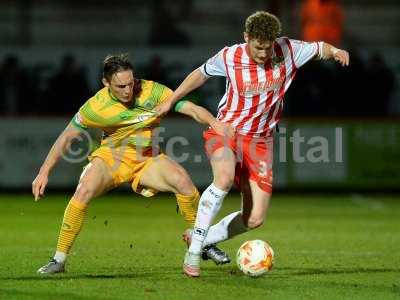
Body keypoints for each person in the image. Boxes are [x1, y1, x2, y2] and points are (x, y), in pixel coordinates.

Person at [156, 11, 349, 277]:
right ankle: (194, 253)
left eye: (268, 47)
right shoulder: (230, 56)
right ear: (246, 37)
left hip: (261, 142)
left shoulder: (289, 50)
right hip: (227, 131)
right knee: (222, 180)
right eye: (258, 47)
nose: (263, 53)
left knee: (255, 218)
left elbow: (320, 49)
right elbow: (200, 74)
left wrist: (336, 50)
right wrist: (171, 99)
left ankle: (202, 237)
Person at [32, 54, 233, 274]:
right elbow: (66, 137)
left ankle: (201, 242)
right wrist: (44, 172)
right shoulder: (95, 107)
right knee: (83, 191)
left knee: (182, 181)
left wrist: (214, 122)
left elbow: (191, 108)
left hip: (147, 158)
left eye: (131, 83)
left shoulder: (152, 91)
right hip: (112, 158)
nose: (128, 90)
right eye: (121, 86)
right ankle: (59, 260)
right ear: (106, 83)